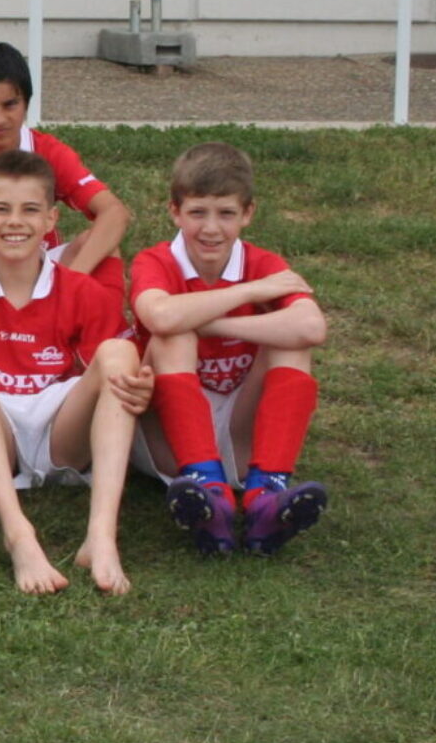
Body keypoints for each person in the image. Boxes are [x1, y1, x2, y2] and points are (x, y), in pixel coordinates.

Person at [0, 150, 152, 596]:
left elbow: (113, 373)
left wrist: (136, 383)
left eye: (30, 209)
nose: (16, 221)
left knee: (119, 354)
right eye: (1, 209)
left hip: (61, 430)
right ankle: (18, 534)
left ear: (52, 219)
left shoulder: (82, 291)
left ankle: (101, 536)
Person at [130, 141, 330, 556]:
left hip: (240, 430)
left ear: (248, 214)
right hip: (167, 435)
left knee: (291, 344)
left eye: (226, 214)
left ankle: (265, 495)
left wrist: (210, 321)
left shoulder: (263, 261)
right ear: (174, 211)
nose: (211, 228)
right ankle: (207, 488)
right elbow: (162, 318)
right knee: (174, 336)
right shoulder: (155, 261)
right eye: (197, 212)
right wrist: (252, 291)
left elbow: (312, 327)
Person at [0, 40, 132, 295]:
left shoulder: (50, 152)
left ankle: (106, 330)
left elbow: (114, 212)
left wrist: (74, 279)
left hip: (42, 267)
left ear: (26, 102)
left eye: (10, 104)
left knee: (100, 244)